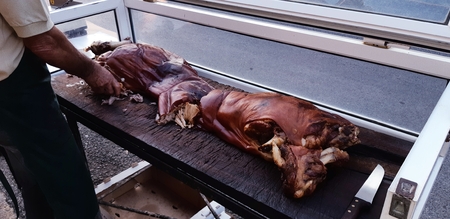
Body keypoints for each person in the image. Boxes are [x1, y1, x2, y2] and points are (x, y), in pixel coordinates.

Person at [0, 0, 120, 218]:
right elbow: (45, 42)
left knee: (28, 165)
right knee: (63, 174)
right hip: (13, 89)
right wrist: (92, 71)